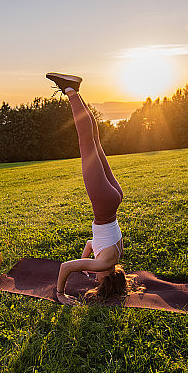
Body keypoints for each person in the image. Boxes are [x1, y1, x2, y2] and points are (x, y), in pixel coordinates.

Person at [46, 72, 134, 306]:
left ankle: (75, 91)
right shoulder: (102, 264)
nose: (94, 277)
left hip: (115, 199)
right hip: (103, 204)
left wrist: (85, 262)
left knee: (94, 139)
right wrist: (61, 293)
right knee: (86, 141)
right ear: (106, 278)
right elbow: (65, 267)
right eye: (97, 280)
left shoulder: (115, 257)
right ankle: (70, 91)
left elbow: (90, 244)